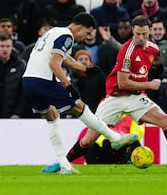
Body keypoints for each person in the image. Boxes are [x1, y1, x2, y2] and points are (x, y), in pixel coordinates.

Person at [45, 15, 167, 173]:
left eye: (144, 34)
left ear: (150, 31)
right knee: (89, 139)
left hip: (136, 97)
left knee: (165, 120)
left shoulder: (153, 49)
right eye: (137, 34)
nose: (140, 37)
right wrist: (148, 84)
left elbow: (144, 71)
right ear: (133, 31)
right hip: (116, 98)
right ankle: (62, 163)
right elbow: (123, 82)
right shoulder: (127, 51)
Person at [22, 13, 138, 174]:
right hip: (44, 80)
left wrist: (85, 69)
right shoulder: (68, 36)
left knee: (52, 117)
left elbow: (65, 59)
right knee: (79, 107)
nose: (86, 37)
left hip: (28, 82)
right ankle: (115, 138)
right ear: (80, 27)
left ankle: (64, 165)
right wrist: (68, 85)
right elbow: (54, 63)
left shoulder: (55, 31)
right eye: (87, 33)